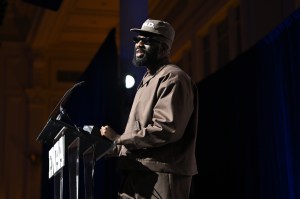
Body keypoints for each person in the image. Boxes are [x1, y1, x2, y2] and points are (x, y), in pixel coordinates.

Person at [100, 18, 198, 199]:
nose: (138, 44)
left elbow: (166, 129)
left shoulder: (173, 78)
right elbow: (138, 134)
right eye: (137, 40)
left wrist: (121, 138)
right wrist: (111, 147)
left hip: (160, 174)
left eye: (146, 41)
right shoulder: (148, 80)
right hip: (137, 171)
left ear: (163, 48)